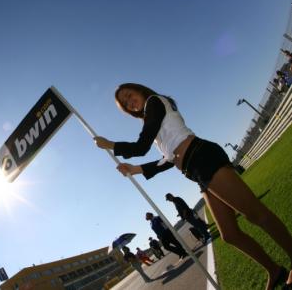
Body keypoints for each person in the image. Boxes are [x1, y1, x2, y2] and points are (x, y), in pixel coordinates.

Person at [94, 82, 292, 289]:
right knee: (229, 235)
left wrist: (111, 145)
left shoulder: (154, 102)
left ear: (140, 90)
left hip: (203, 157)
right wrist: (137, 169)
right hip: (195, 171)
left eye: (129, 95)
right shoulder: (152, 120)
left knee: (256, 214)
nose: (129, 102)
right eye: (125, 103)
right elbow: (169, 159)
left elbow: (141, 146)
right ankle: (275, 270)